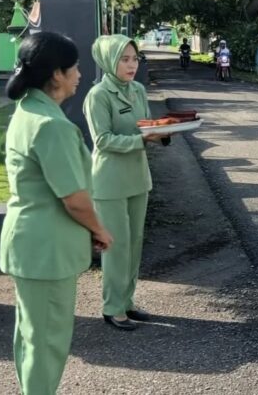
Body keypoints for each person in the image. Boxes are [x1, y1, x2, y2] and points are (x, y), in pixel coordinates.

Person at [0, 32, 114, 395]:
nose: (80, 75)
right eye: (74, 68)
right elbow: (74, 199)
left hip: (30, 243)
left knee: (32, 336)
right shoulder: (52, 126)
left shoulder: (29, 110)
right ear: (56, 75)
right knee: (47, 342)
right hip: (46, 249)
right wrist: (99, 229)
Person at [84, 34, 163, 331]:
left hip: (138, 177)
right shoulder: (98, 95)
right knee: (116, 246)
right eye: (124, 59)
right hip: (110, 181)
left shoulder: (138, 90)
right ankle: (112, 307)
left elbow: (145, 126)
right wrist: (141, 140)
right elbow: (102, 140)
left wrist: (163, 131)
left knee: (135, 243)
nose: (132, 65)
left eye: (135, 59)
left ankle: (127, 301)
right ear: (108, 61)